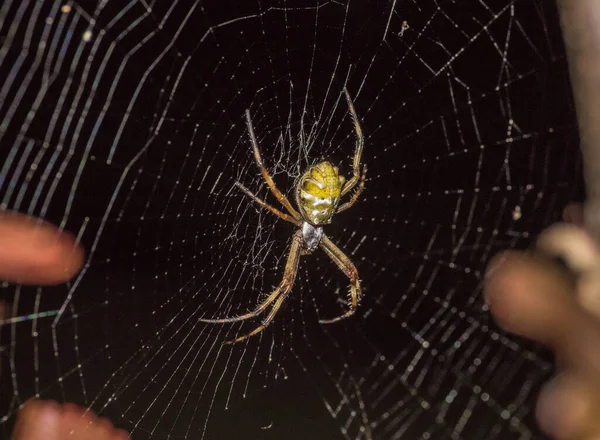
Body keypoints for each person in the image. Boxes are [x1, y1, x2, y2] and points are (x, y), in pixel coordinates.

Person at [2, 204, 600, 440]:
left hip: (315, 207)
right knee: (284, 283)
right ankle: (252, 317)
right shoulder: (293, 219)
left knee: (338, 276)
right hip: (309, 209)